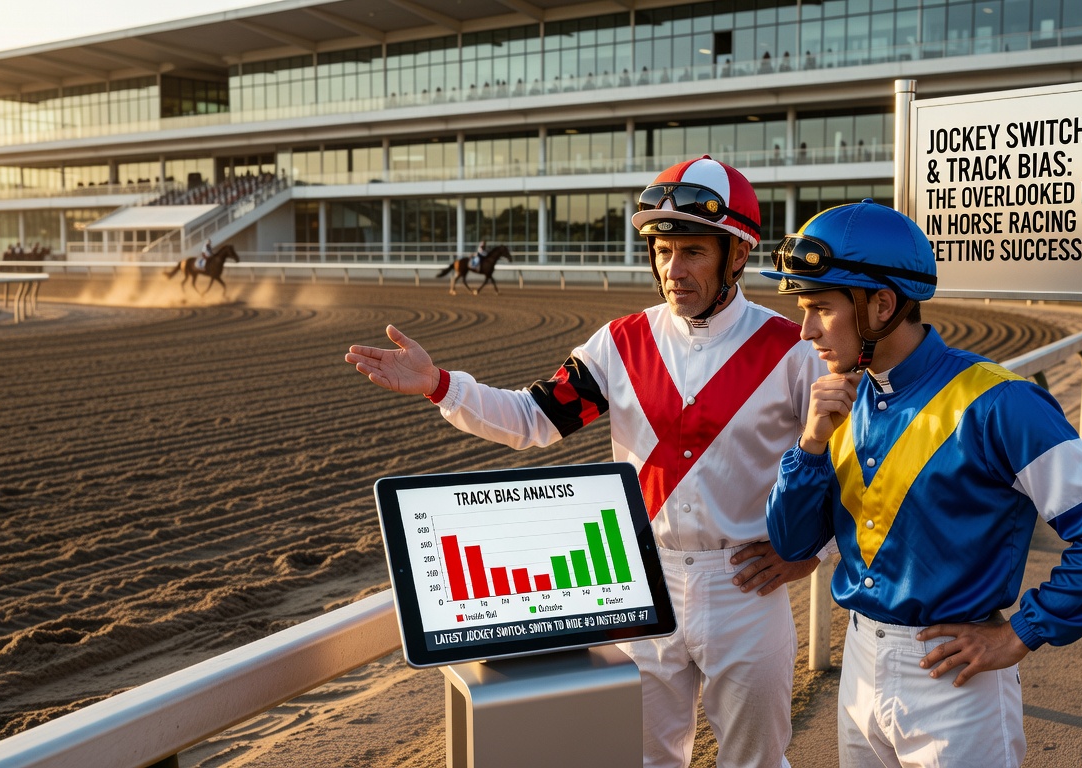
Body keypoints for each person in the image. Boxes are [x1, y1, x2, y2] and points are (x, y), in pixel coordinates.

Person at [346, 156, 832, 768]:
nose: (672, 270)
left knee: (755, 762)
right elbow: (533, 419)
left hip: (743, 586)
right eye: (661, 251)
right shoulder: (620, 341)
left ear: (737, 253)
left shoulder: (793, 349)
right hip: (639, 587)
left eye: (692, 253)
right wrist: (442, 385)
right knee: (642, 760)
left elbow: (849, 463)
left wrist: (813, 552)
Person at [761, 200, 1082, 768]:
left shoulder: (1002, 402)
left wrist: (1021, 633)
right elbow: (793, 544)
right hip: (859, 669)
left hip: (955, 680)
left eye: (820, 308)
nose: (805, 331)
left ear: (883, 304)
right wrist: (811, 446)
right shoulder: (843, 400)